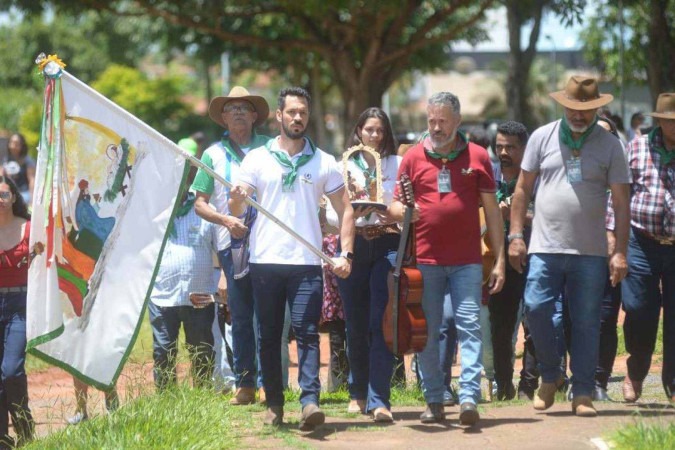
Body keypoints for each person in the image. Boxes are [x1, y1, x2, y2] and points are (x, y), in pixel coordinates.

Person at [229, 87, 355, 430]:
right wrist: (237, 198)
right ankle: (274, 403)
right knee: (268, 336)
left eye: (303, 112)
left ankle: (310, 402)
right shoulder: (256, 158)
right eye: (292, 112)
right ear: (278, 116)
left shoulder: (324, 161)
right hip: (265, 262)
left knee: (308, 333)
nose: (297, 117)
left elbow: (346, 210)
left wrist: (346, 253)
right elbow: (236, 207)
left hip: (307, 264)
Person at [508, 75, 630, 417]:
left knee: (588, 321)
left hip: (590, 252)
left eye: (586, 109)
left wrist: (619, 251)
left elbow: (622, 202)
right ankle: (551, 374)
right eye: (573, 108)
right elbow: (521, 190)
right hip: (544, 247)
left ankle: (583, 393)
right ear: (563, 104)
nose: (579, 115)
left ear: (597, 108)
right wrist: (516, 236)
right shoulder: (541, 137)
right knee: (534, 307)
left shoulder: (610, 145)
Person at [389, 92, 506, 426]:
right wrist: (406, 213)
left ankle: (469, 397)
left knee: (468, 324)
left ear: (457, 121)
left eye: (443, 121)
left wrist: (498, 259)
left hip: (468, 261)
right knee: (427, 330)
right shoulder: (412, 157)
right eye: (431, 121)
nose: (436, 127)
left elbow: (493, 213)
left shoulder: (478, 156)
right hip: (425, 261)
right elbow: (396, 206)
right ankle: (435, 398)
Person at [192, 86, 271, 405]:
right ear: (223, 117)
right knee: (239, 315)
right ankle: (245, 383)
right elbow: (199, 203)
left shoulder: (271, 148)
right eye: (231, 108)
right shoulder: (212, 154)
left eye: (244, 107)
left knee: (267, 315)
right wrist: (226, 221)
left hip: (268, 244)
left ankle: (270, 381)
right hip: (231, 246)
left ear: (254, 115)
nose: (238, 112)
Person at [325, 107, 401, 422]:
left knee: (380, 321)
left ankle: (379, 398)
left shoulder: (397, 164)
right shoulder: (343, 165)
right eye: (369, 129)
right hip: (353, 244)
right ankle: (357, 391)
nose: (374, 135)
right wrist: (348, 215)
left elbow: (406, 204)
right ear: (358, 131)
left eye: (380, 131)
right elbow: (329, 217)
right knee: (355, 323)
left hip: (386, 243)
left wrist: (392, 211)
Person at [616, 93, 675, 404]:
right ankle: (636, 372)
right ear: (660, 120)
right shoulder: (636, 146)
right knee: (638, 309)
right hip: (642, 241)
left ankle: (672, 383)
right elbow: (620, 193)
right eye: (670, 120)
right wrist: (614, 236)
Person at [149, 157, 218, 390]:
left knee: (201, 347)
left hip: (199, 293)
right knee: (163, 350)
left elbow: (221, 248)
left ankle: (202, 395)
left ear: (188, 179)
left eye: (181, 176)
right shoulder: (153, 215)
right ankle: (166, 400)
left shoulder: (205, 211)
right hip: (161, 294)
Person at [487, 121, 530, 401]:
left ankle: (530, 383)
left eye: (510, 147)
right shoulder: (488, 179)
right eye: (499, 146)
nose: (504, 152)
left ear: (524, 149)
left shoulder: (533, 179)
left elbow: (548, 216)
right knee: (500, 327)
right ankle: (504, 384)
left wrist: (517, 215)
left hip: (532, 256)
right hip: (496, 261)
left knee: (536, 321)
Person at [0, 172, 35, 448]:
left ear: (13, 197)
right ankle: (2, 438)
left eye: (4, 194)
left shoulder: (29, 227)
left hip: (20, 306)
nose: (0, 200)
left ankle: (25, 428)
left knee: (11, 370)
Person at [2, 134, 35, 204]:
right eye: (11, 143)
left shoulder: (28, 161)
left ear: (22, 146)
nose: (13, 146)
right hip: (8, 193)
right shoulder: (5, 160)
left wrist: (32, 200)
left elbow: (32, 180)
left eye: (16, 144)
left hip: (23, 193)